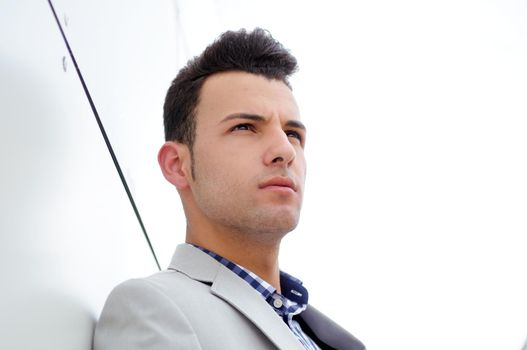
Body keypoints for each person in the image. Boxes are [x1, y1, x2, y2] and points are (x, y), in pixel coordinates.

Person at [94, 28, 365, 350]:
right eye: (245, 127)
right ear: (177, 165)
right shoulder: (154, 307)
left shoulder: (323, 333)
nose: (285, 150)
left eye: (293, 133)